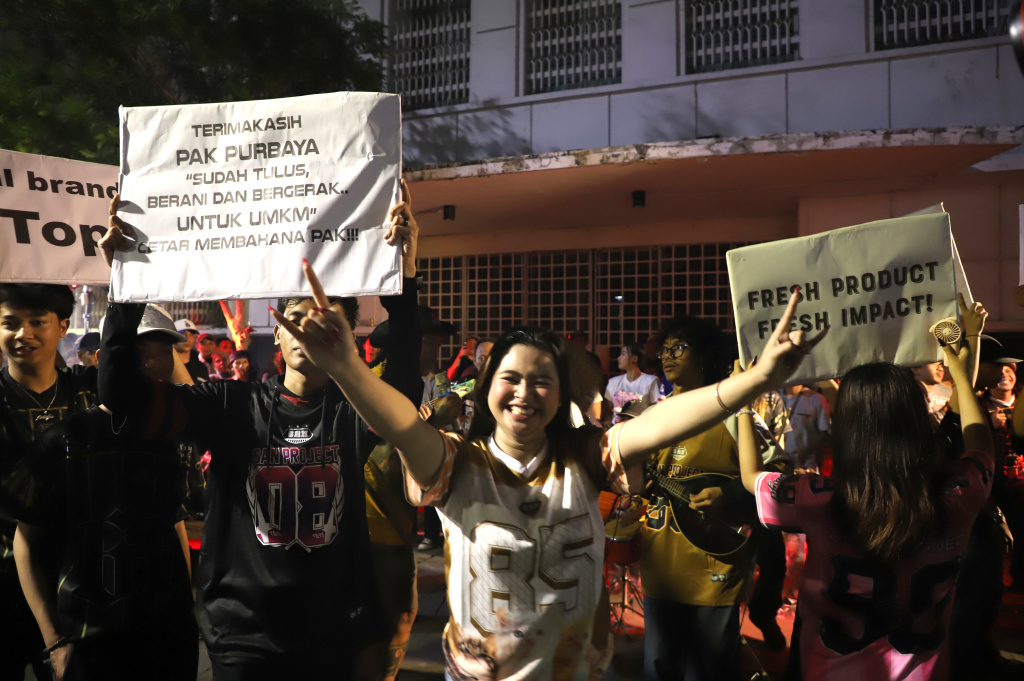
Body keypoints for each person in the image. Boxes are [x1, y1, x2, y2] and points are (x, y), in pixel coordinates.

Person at [270, 270, 821, 680]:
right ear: (488, 387)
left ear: (560, 396)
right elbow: (403, 425)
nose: (525, 392)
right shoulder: (456, 464)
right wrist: (345, 365)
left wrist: (754, 381)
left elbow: (659, 424)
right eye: (510, 377)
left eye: (542, 381)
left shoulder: (586, 457)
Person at [97, 182, 421, 680]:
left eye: (324, 319)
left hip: (335, 631)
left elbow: (403, 390)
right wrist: (124, 290)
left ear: (346, 337)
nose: (307, 328)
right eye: (296, 317)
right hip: (244, 635)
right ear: (279, 330)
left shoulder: (354, 411)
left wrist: (405, 277)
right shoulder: (230, 405)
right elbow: (123, 396)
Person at [736, 332, 994, 680]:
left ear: (847, 428)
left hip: (828, 670)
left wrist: (744, 398)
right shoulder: (958, 492)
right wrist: (960, 372)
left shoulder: (819, 497)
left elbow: (751, 477)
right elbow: (980, 447)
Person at [14, 304, 198, 681]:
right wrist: (54, 641)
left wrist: (187, 608)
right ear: (102, 359)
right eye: (139, 352)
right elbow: (26, 541)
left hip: (167, 634)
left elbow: (175, 522)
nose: (154, 364)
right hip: (90, 638)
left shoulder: (172, 437)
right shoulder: (65, 440)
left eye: (165, 352)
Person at [641, 314, 785, 680]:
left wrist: (730, 494)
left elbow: (777, 473)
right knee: (658, 670)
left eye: (679, 348)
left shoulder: (733, 413)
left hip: (713, 570)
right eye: (664, 349)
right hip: (660, 571)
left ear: (705, 355)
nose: (667, 356)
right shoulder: (650, 416)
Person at [0, 283, 97, 681]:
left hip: (77, 582)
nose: (23, 333)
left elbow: (174, 387)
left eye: (37, 322)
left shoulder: (89, 390)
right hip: (4, 582)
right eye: (10, 323)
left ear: (62, 326)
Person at [605, 342, 661, 425]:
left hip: (641, 428)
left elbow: (658, 409)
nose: (619, 358)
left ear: (634, 359)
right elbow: (607, 410)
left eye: (623, 354)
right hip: (617, 428)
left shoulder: (651, 381)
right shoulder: (613, 382)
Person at [174, 318, 210, 383]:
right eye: (183, 334)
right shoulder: (164, 366)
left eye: (191, 335)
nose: (188, 338)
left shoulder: (201, 368)